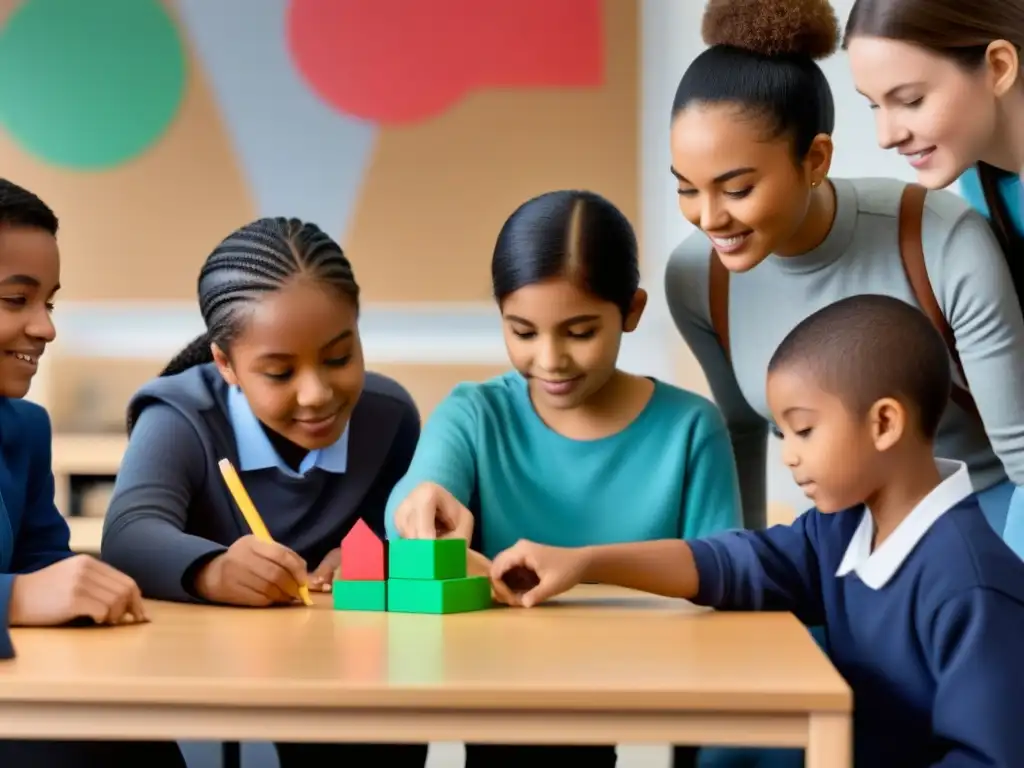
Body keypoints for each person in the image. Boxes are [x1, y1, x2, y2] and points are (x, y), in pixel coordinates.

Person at [490, 294, 1024, 768]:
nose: (789, 456)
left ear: (884, 423)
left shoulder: (973, 587)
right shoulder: (840, 530)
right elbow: (731, 564)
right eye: (782, 432)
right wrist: (584, 562)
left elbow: (989, 757)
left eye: (805, 430)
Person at [385, 189, 741, 768]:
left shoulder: (689, 428)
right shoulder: (474, 413)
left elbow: (724, 573)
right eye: (522, 332)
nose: (549, 359)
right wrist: (420, 505)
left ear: (632, 309)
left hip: (659, 688)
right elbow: (414, 506)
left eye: (578, 332)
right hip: (503, 702)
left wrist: (590, 563)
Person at [665, 0, 1024, 555]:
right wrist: (747, 581)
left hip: (985, 542)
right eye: (687, 188)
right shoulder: (697, 279)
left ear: (815, 160)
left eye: (736, 189)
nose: (710, 217)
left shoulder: (942, 236)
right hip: (846, 553)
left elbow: (1021, 456)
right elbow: (740, 439)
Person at [100, 217, 426, 767]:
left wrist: (382, 556)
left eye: (340, 358)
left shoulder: (389, 417)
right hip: (217, 670)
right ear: (224, 363)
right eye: (278, 372)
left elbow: (401, 529)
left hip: (348, 676)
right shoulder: (180, 417)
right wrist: (213, 570)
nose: (318, 393)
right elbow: (128, 535)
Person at [0, 179, 184, 767]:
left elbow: (44, 562)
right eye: (15, 300)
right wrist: (17, 597)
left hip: (25, 696)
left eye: (48, 302)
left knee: (130, 739)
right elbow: (30, 587)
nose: (46, 327)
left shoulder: (22, 429)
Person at [842, 0, 1024, 553]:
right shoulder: (981, 186)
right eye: (873, 105)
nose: (886, 134)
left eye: (911, 101)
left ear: (997, 67)